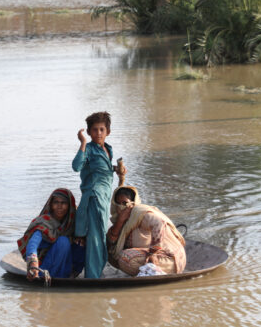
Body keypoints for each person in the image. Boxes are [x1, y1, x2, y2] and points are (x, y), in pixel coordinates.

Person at [72, 112, 126, 278]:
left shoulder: (107, 149)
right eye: (94, 130)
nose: (98, 133)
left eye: (102, 129)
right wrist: (82, 143)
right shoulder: (88, 149)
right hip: (94, 198)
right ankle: (93, 277)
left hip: (103, 199)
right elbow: (76, 166)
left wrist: (115, 170)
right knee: (96, 237)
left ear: (108, 131)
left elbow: (100, 170)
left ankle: (95, 272)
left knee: (100, 235)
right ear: (89, 132)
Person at [106, 186, 186, 276]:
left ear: (133, 202)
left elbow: (159, 223)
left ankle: (152, 273)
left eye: (125, 203)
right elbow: (111, 241)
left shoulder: (139, 213)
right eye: (118, 203)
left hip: (169, 258)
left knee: (125, 258)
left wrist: (153, 253)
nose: (121, 207)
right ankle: (146, 272)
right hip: (150, 257)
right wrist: (120, 221)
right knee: (109, 252)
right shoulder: (123, 220)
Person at [17, 188, 85, 280]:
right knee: (63, 241)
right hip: (45, 267)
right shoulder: (44, 221)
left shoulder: (72, 223)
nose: (59, 206)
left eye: (63, 203)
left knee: (81, 242)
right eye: (56, 202)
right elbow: (33, 243)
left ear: (69, 206)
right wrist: (33, 262)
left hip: (67, 266)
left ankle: (71, 274)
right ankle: (56, 277)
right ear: (51, 204)